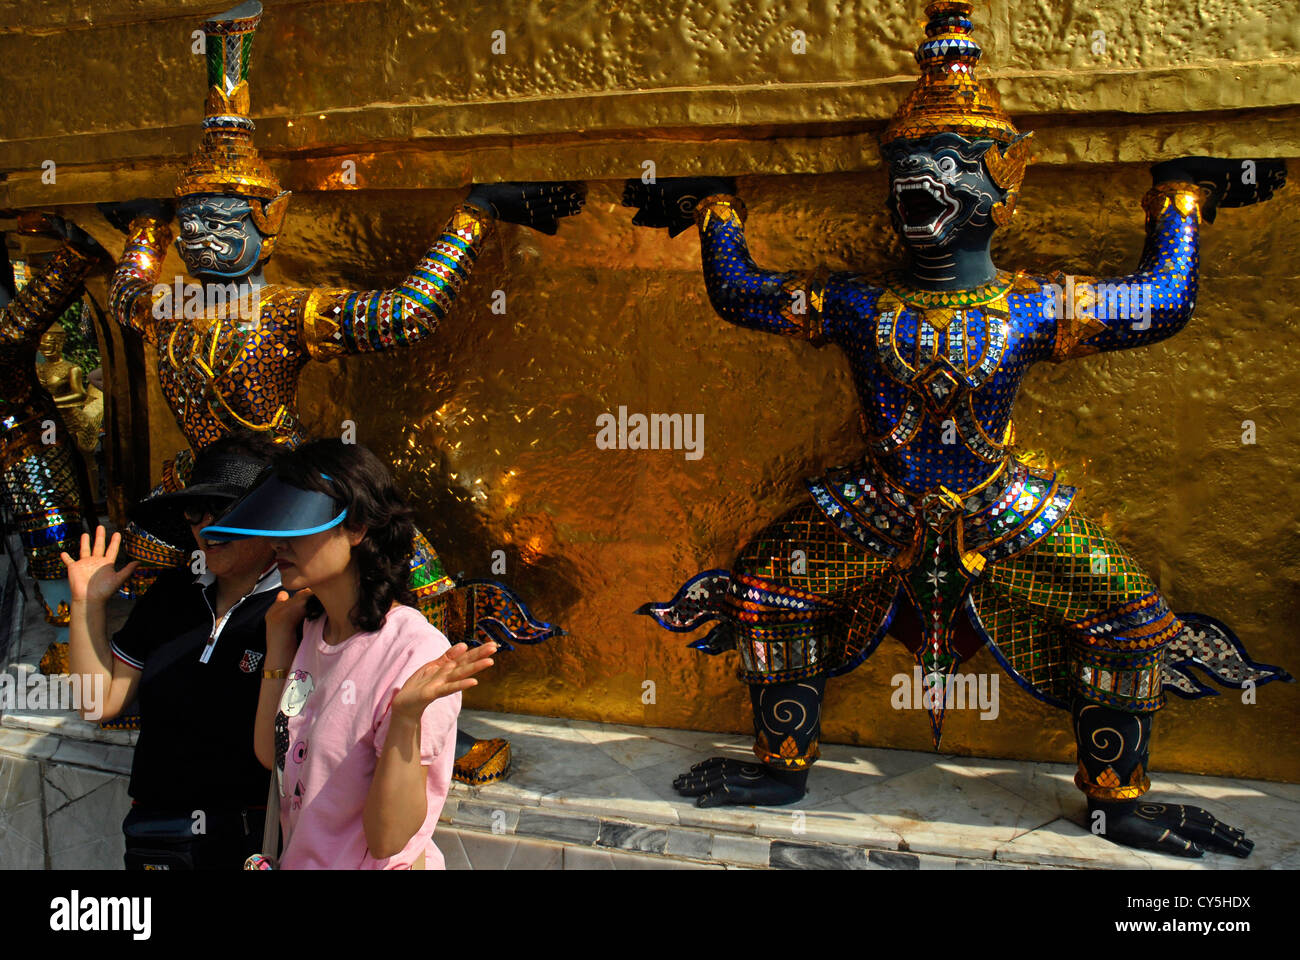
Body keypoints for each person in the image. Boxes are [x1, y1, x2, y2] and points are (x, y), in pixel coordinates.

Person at [203, 438, 495, 869]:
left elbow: (388, 841)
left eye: (298, 523)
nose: (279, 543)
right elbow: (271, 753)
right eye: (277, 526)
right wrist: (279, 644)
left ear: (357, 528)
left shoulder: (413, 651)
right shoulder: (312, 630)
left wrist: (406, 717)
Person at [63, 430, 284, 869]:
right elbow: (98, 703)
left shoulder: (294, 607)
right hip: (157, 837)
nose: (206, 526)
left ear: (270, 516)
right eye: (195, 511)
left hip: (252, 841)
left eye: (224, 509)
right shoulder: (173, 594)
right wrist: (86, 605)